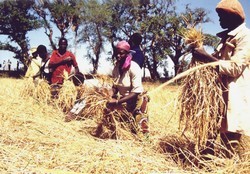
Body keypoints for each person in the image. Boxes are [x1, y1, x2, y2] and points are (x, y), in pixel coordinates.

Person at [192, 0, 250, 158]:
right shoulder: (225, 38)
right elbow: (215, 64)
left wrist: (205, 57)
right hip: (219, 95)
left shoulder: (245, 36)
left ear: (233, 16)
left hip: (234, 96)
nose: (219, 20)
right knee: (211, 135)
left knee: (230, 143)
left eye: (221, 16)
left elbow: (235, 67)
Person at [106, 40, 149, 134]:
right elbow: (115, 86)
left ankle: (145, 136)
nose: (118, 56)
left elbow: (136, 92)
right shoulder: (116, 67)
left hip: (135, 101)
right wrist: (109, 94)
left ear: (127, 54)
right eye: (116, 53)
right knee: (112, 124)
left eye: (121, 54)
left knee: (138, 129)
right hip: (123, 101)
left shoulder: (134, 68)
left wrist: (117, 102)